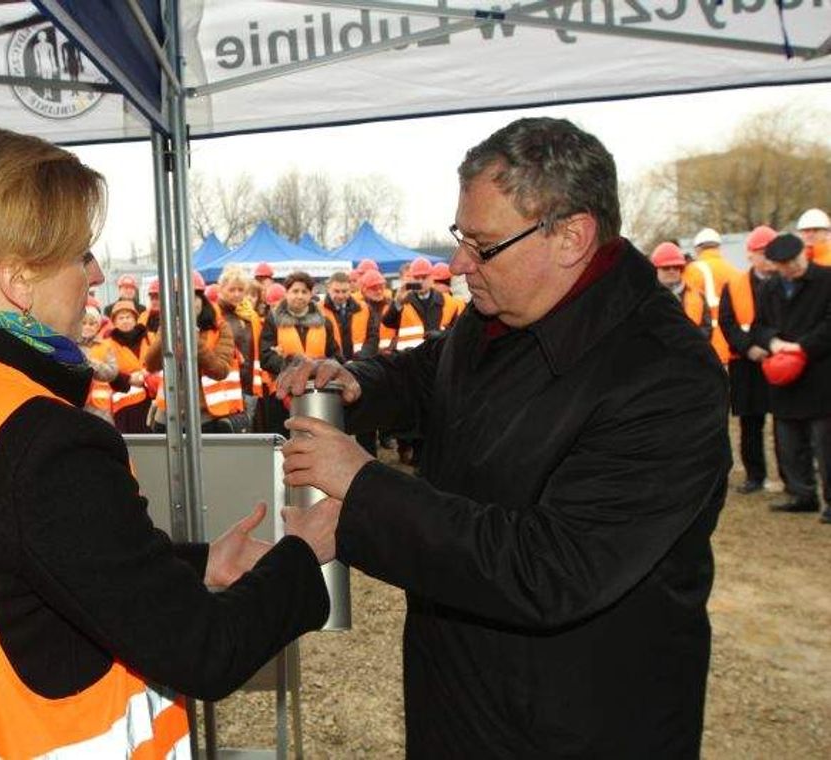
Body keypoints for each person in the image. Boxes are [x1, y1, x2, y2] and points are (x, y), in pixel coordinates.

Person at [0, 124, 335, 759]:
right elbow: (203, 651)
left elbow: (16, 556)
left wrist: (197, 563)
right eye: (81, 254)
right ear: (17, 280)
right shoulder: (42, 441)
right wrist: (302, 550)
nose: (98, 274)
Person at [277, 117, 729, 756]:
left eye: (482, 246)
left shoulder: (662, 376)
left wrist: (363, 486)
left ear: (571, 236)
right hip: (463, 689)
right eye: (462, 237)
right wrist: (358, 383)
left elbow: (551, 570)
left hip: (576, 722)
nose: (459, 263)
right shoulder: (508, 311)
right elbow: (433, 372)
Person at [751, 233, 831, 521]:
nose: (792, 267)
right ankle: (801, 493)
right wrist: (772, 342)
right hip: (783, 375)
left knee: (825, 443)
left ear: (804, 254)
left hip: (820, 373)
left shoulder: (826, 280)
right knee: (789, 441)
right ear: (775, 265)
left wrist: (803, 347)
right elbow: (758, 326)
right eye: (785, 264)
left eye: (795, 260)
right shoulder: (769, 289)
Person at [146, 273, 247, 433]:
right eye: (179, 300)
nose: (185, 305)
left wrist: (194, 340)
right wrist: (166, 334)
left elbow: (220, 370)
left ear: (202, 300)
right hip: (167, 415)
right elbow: (151, 365)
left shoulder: (220, 328)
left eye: (191, 298)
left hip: (205, 416)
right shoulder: (165, 328)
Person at [719, 226, 778, 494]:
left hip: (782, 359)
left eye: (770, 253)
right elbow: (727, 322)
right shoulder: (735, 286)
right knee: (750, 423)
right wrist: (749, 348)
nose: (766, 258)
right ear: (750, 255)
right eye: (761, 253)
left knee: (788, 423)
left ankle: (793, 477)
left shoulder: (787, 283)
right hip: (746, 363)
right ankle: (755, 476)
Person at [260, 271, 339, 433]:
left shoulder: (325, 322)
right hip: (282, 394)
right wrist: (293, 368)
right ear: (286, 293)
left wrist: (317, 370)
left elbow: (336, 356)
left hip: (317, 391)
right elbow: (266, 357)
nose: (300, 296)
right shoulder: (273, 320)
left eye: (304, 292)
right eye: (295, 291)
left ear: (311, 294)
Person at [382, 256, 465, 351]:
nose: (421, 281)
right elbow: (388, 324)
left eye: (424, 277)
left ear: (431, 278)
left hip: (437, 357)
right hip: (409, 358)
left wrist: (442, 335)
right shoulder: (403, 300)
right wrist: (398, 303)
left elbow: (458, 332)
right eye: (417, 277)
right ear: (411, 278)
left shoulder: (449, 302)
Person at [685, 226, 741, 365]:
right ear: (718, 247)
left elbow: (690, 308)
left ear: (698, 249)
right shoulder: (735, 271)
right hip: (733, 344)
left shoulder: (692, 270)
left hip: (707, 345)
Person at [218, 266, 265, 411]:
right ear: (222, 290)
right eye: (232, 290)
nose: (236, 294)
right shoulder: (216, 316)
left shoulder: (252, 317)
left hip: (249, 387)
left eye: (240, 290)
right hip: (225, 388)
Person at [106, 299, 153, 434]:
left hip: (150, 400)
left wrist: (146, 374)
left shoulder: (149, 337)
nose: (125, 321)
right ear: (114, 322)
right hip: (125, 406)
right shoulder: (108, 344)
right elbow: (108, 372)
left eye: (128, 317)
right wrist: (130, 379)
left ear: (135, 319)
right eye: (121, 318)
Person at [651, 242, 711, 338]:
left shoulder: (698, 296)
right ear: (655, 269)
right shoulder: (647, 299)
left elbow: (707, 328)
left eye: (676, 266)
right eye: (666, 267)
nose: (672, 271)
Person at [77, 305, 118, 424]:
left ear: (98, 326)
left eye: (92, 323)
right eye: (84, 323)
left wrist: (91, 364)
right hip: (77, 403)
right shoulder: (70, 344)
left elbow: (112, 372)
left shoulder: (105, 346)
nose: (87, 327)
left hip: (100, 408)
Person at [319, 270, 365, 362]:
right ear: (328, 289)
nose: (340, 296)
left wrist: (360, 358)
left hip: (359, 362)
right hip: (332, 364)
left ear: (350, 289)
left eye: (344, 291)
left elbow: (372, 337)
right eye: (336, 291)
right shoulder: (318, 310)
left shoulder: (363, 308)